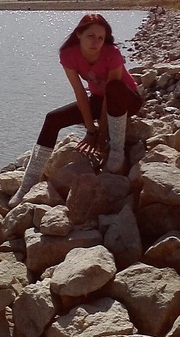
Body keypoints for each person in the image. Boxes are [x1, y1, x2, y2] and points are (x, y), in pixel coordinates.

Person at [8, 13, 143, 208]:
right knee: (52, 119)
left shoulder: (111, 53)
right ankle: (29, 182)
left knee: (113, 89)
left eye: (100, 38)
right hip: (99, 99)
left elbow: (110, 95)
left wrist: (101, 134)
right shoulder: (68, 54)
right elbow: (80, 92)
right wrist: (90, 130)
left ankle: (116, 150)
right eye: (91, 36)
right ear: (79, 34)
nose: (96, 42)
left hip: (126, 99)